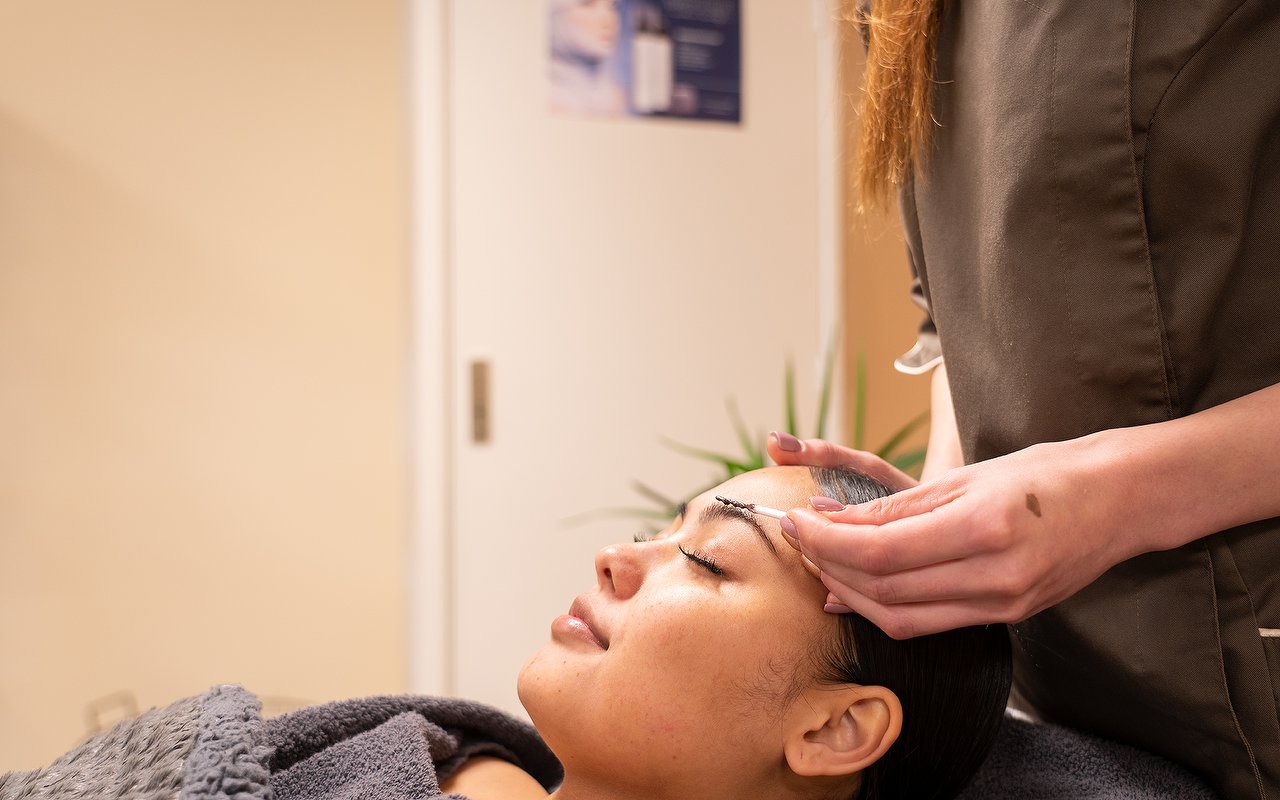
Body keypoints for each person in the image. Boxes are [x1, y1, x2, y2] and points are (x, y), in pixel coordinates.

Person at [770, 2, 1280, 799]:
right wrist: (942, 510)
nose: (613, 562)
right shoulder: (902, 15)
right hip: (1065, 703)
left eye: (707, 565)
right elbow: (956, 320)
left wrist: (1112, 495)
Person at [447, 464, 1012, 800]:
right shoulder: (444, 755)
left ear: (833, 729)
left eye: (706, 560)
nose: (612, 556)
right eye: (652, 536)